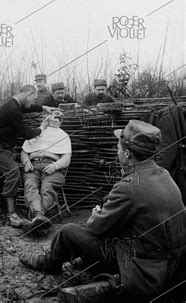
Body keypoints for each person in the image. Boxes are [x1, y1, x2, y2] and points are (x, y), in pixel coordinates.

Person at [19, 120, 186, 301]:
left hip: (139, 264)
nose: (117, 151)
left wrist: (97, 213)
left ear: (128, 153)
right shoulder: (164, 174)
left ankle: (50, 262)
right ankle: (82, 261)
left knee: (68, 232)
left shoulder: (129, 187)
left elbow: (95, 228)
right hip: (169, 263)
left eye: (119, 148)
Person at [0, 85, 60, 228]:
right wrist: (42, 128)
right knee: (13, 173)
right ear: (29, 94)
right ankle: (12, 214)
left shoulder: (14, 104)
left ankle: (2, 218)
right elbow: (26, 133)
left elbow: (28, 107)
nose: (34, 102)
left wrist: (43, 108)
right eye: (34, 98)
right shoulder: (13, 108)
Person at [21, 111, 71, 232]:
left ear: (61, 123)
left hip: (52, 167)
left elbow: (66, 158)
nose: (58, 118)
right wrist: (26, 161)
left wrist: (56, 165)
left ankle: (38, 216)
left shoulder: (63, 135)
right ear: (47, 117)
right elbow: (24, 151)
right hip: (33, 165)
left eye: (60, 117)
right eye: (55, 115)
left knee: (47, 187)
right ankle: (40, 217)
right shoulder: (37, 132)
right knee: (30, 185)